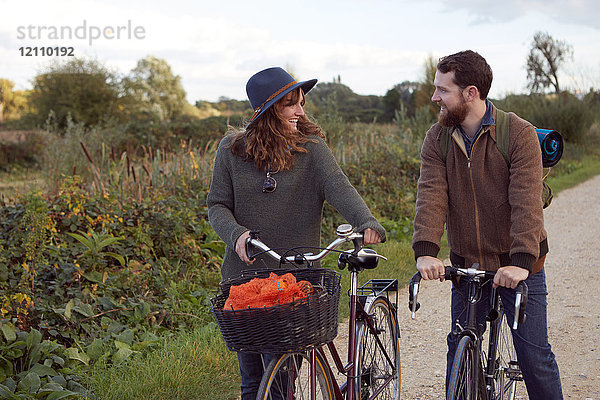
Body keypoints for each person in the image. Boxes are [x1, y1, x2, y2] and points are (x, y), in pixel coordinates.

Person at [207, 66, 386, 400]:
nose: (300, 111)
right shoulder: (230, 152)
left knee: (281, 380)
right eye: (290, 104)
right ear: (267, 110)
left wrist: (366, 222)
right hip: (244, 279)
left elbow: (339, 187)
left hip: (296, 279)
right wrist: (236, 234)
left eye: (300, 102)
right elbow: (217, 205)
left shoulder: (312, 150)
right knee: (251, 380)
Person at [412, 50, 563, 399]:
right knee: (459, 349)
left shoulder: (519, 134)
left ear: (470, 93)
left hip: (519, 265)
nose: (435, 97)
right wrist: (426, 250)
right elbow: (431, 195)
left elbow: (526, 203)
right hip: (469, 265)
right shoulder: (437, 138)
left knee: (533, 356)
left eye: (442, 90)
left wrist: (522, 262)